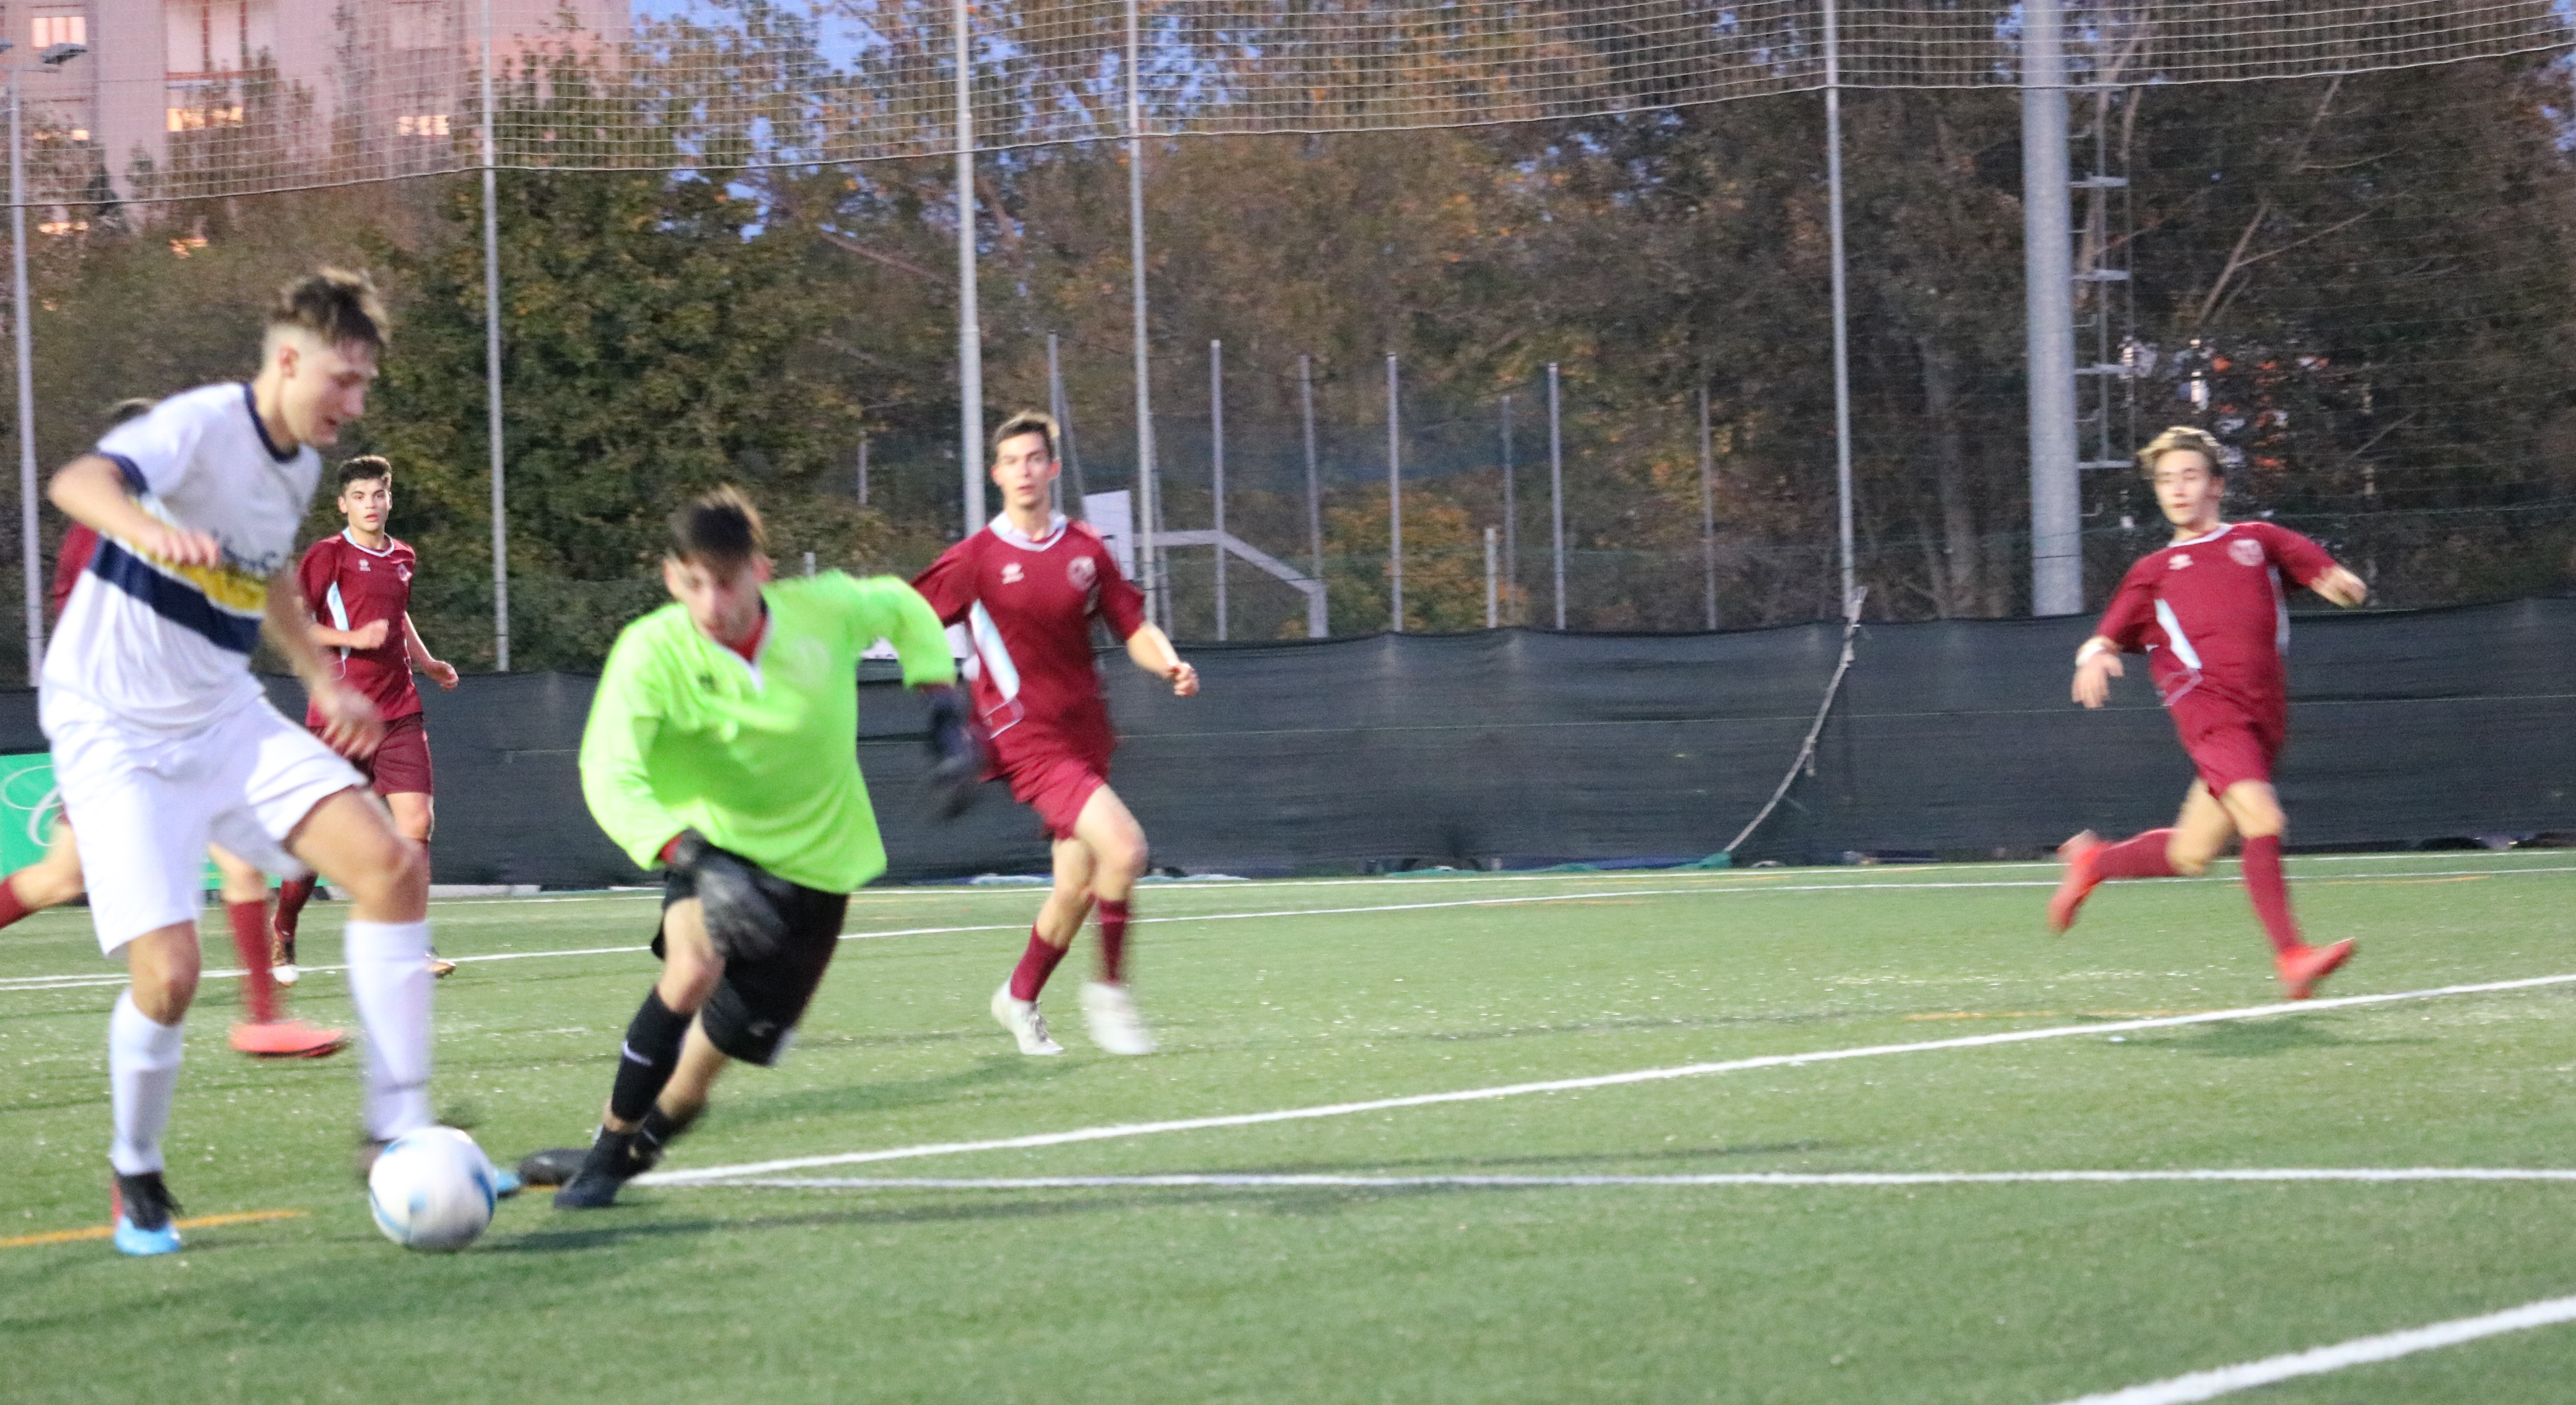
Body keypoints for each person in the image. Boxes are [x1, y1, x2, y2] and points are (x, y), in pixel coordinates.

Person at [46, 269, 442, 1255]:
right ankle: (136, 1166)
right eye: (345, 381)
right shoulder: (203, 423)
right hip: (114, 728)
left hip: (221, 713)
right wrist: (152, 531)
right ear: (290, 360)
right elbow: (78, 484)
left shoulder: (298, 468)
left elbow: (264, 582)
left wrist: (319, 675)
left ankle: (395, 1128)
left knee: (391, 866)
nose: (355, 405)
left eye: (364, 385)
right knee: (170, 977)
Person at [522, 487, 968, 1209]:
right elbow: (608, 771)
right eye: (694, 583)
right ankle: (604, 1151)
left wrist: (943, 709)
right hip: (713, 849)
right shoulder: (649, 652)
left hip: (819, 867)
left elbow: (903, 605)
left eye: (726, 583)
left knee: (705, 1063)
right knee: (692, 967)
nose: (711, 603)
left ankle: (634, 1152)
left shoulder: (823, 609)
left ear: (760, 571)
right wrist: (692, 856)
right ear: (672, 578)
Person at [0, 400, 346, 1060]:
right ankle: (260, 1019)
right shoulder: (105, 533)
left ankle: (264, 1019)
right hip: (123, 735)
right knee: (60, 879)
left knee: (234, 865)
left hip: (178, 728)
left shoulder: (174, 517)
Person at [911, 410, 1199, 1057]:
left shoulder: (1086, 550)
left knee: (1074, 887)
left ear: (1052, 468)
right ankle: (1110, 993)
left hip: (1085, 732)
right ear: (996, 474)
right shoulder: (976, 557)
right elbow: (912, 620)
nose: (1024, 471)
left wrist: (1169, 663)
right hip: (1026, 736)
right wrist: (943, 702)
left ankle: (1018, 996)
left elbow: (1134, 627)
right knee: (1125, 849)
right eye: (1012, 461)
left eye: (1034, 459)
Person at [2050, 425, 2370, 999]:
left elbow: (2328, 575)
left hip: (2264, 716)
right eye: (2165, 480)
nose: (2177, 489)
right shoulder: (2154, 570)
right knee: (2262, 819)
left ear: (2216, 485)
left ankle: (2094, 860)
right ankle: (2292, 956)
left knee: (2191, 853)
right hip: (2207, 710)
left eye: (2189, 476)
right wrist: (2093, 656)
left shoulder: (2257, 540)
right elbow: (2104, 635)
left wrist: (2342, 584)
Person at [270, 456, 461, 982]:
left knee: (417, 824)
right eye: (359, 496)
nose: (370, 504)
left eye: (378, 494)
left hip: (400, 711)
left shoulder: (403, 556)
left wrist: (426, 661)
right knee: (317, 840)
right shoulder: (328, 555)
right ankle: (283, 927)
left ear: (390, 499)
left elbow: (397, 614)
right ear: (343, 504)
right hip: (341, 718)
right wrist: (354, 639)